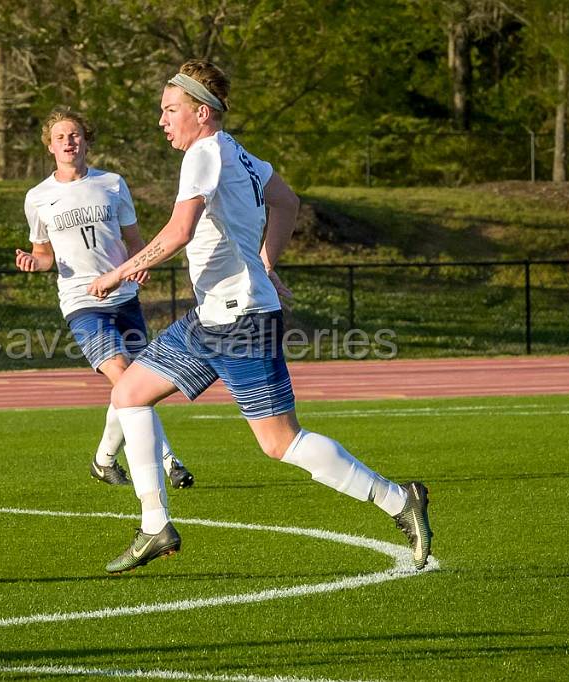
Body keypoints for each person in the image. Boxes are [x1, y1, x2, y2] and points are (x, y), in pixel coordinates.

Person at [88, 61, 432, 574]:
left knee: (280, 442)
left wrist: (120, 273)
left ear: (201, 113)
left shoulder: (204, 152)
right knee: (128, 393)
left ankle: (398, 499)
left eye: (170, 110)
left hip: (241, 323)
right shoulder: (240, 155)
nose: (163, 120)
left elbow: (180, 230)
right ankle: (155, 524)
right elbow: (287, 202)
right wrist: (266, 263)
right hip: (211, 318)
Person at [19, 106, 195, 490]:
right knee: (127, 378)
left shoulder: (113, 183)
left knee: (134, 388)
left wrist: (141, 263)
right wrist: (35, 261)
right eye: (61, 137)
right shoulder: (38, 197)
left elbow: (135, 242)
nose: (69, 142)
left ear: (86, 141)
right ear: (50, 146)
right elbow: (45, 255)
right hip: (82, 303)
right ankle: (170, 462)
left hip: (125, 298)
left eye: (75, 135)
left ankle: (103, 459)